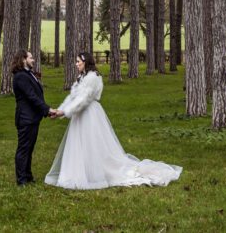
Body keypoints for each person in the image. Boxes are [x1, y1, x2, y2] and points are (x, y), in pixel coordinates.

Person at [45, 51, 182, 190]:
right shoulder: (82, 77)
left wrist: (65, 111)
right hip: (80, 114)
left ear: (85, 62)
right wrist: (60, 110)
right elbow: (73, 97)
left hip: (89, 114)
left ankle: (93, 174)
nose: (76, 64)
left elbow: (83, 99)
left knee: (91, 143)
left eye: (78, 62)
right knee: (79, 144)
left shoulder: (92, 77)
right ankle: (79, 172)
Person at [11, 49, 55, 186]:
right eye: (31, 57)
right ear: (23, 59)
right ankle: (21, 180)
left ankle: (28, 175)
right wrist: (47, 110)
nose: (33, 60)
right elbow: (31, 97)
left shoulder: (27, 74)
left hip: (32, 118)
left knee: (29, 148)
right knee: (24, 149)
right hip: (26, 118)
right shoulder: (20, 76)